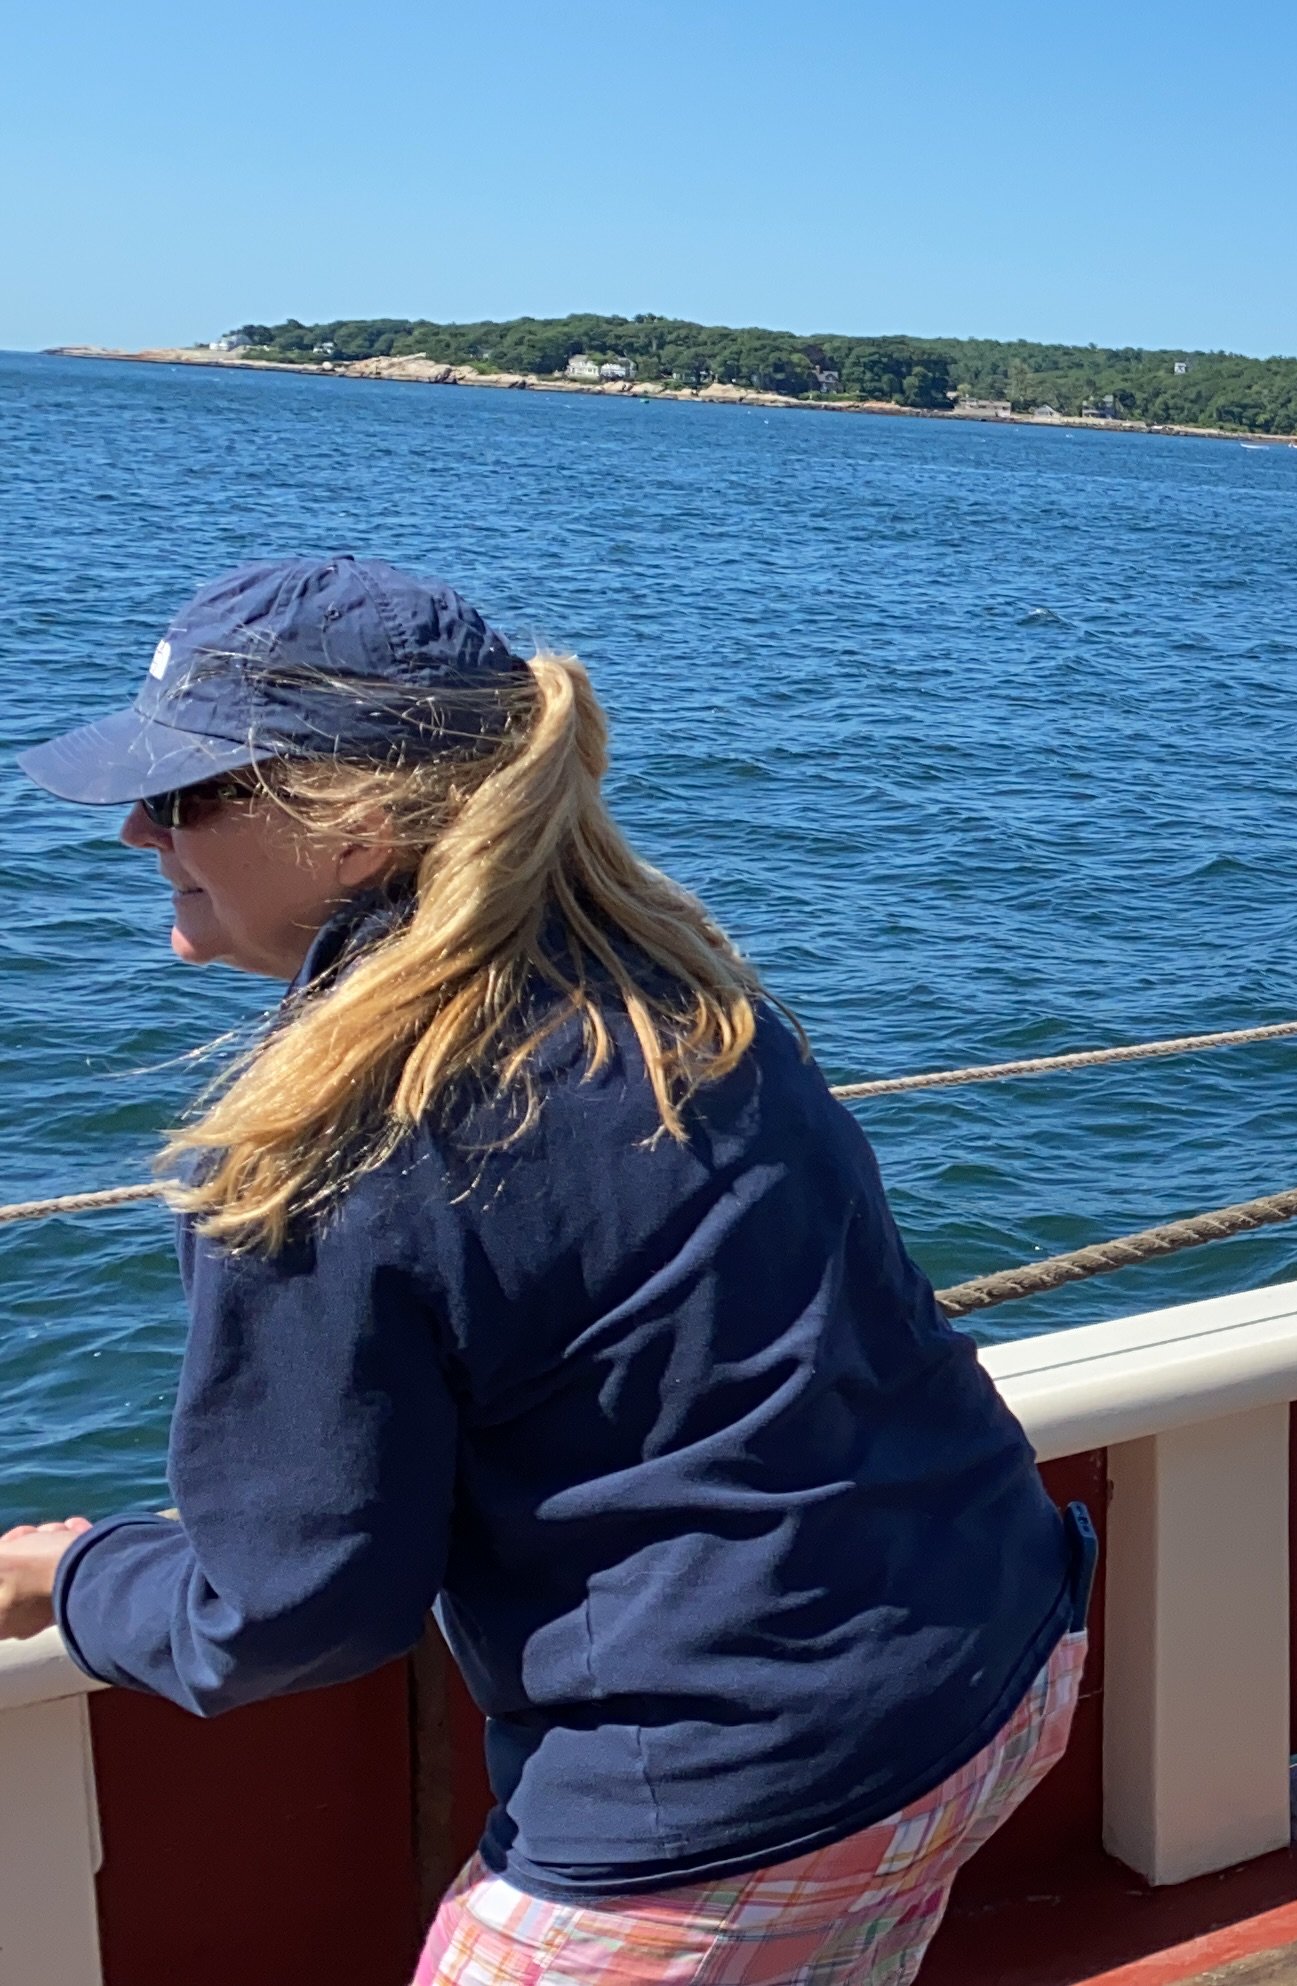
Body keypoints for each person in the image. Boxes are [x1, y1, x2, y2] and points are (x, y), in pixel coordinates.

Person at [0, 557, 1092, 1986]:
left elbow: (292, 1609)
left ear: (361, 827)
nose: (142, 827)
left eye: (194, 792)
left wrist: (72, 1573)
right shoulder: (682, 991)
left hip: (727, 1805)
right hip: (993, 1667)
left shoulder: (318, 1143)